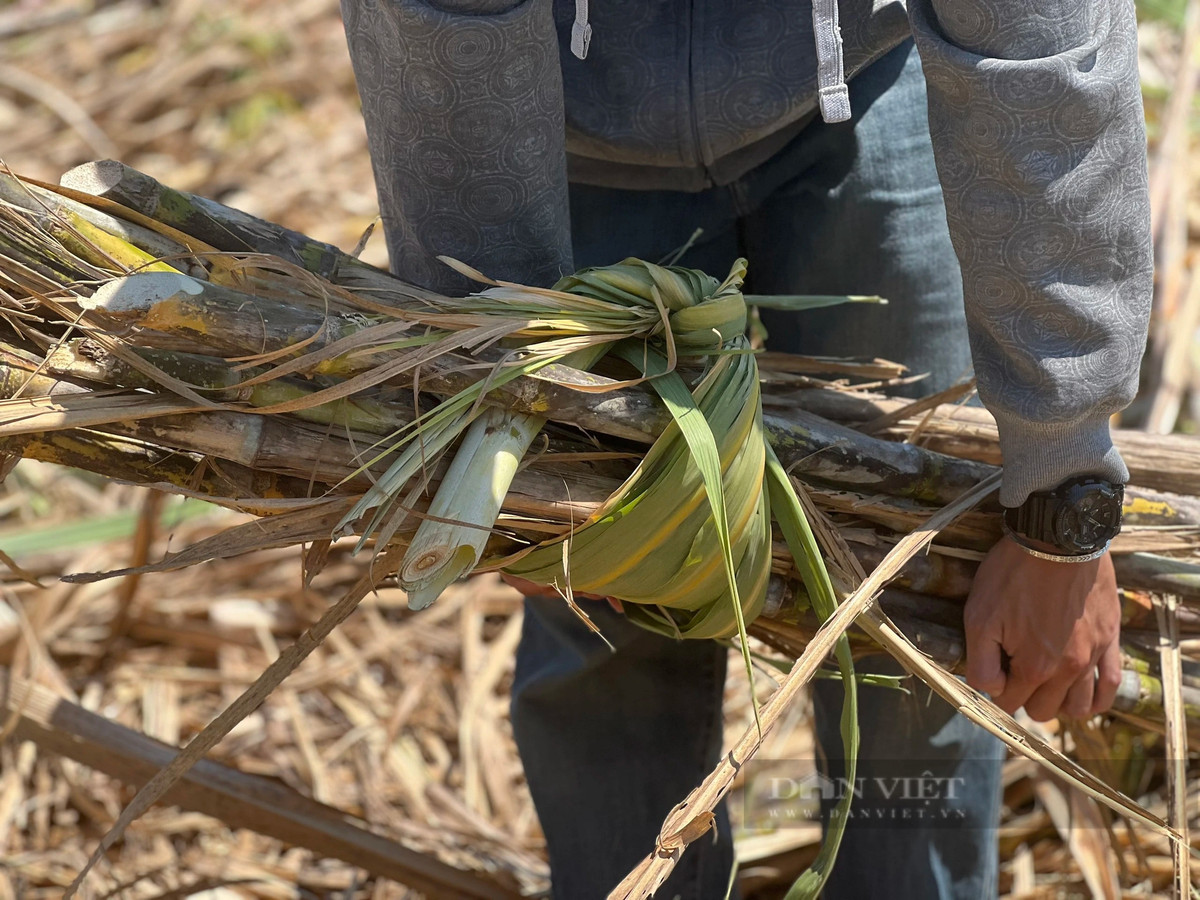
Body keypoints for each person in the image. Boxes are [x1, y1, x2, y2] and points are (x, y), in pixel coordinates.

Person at [339, 1, 1150, 897]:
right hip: (563, 114)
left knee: (920, 610)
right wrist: (510, 396)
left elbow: (1038, 41)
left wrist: (1061, 496)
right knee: (604, 617)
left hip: (863, 79)